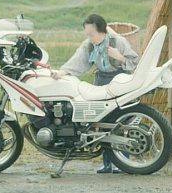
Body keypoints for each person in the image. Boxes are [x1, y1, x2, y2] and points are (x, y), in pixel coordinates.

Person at [51, 14, 138, 174]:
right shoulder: (89, 45)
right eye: (87, 35)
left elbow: (135, 62)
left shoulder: (118, 42)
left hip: (119, 81)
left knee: (120, 121)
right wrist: (61, 73)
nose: (90, 38)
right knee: (102, 122)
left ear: (102, 31)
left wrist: (119, 57)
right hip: (101, 82)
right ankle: (107, 164)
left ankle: (122, 163)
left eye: (92, 34)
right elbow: (77, 61)